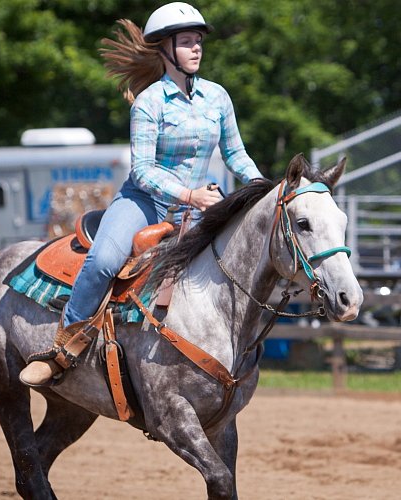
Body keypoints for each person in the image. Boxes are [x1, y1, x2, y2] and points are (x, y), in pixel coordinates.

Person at [20, 2, 264, 386]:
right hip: (144, 203)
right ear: (165, 49)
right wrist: (190, 195)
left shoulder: (218, 97)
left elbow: (235, 154)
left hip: (197, 208)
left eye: (198, 41)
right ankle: (64, 346)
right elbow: (143, 171)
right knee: (103, 260)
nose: (197, 48)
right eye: (187, 42)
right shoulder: (149, 102)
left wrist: (261, 188)